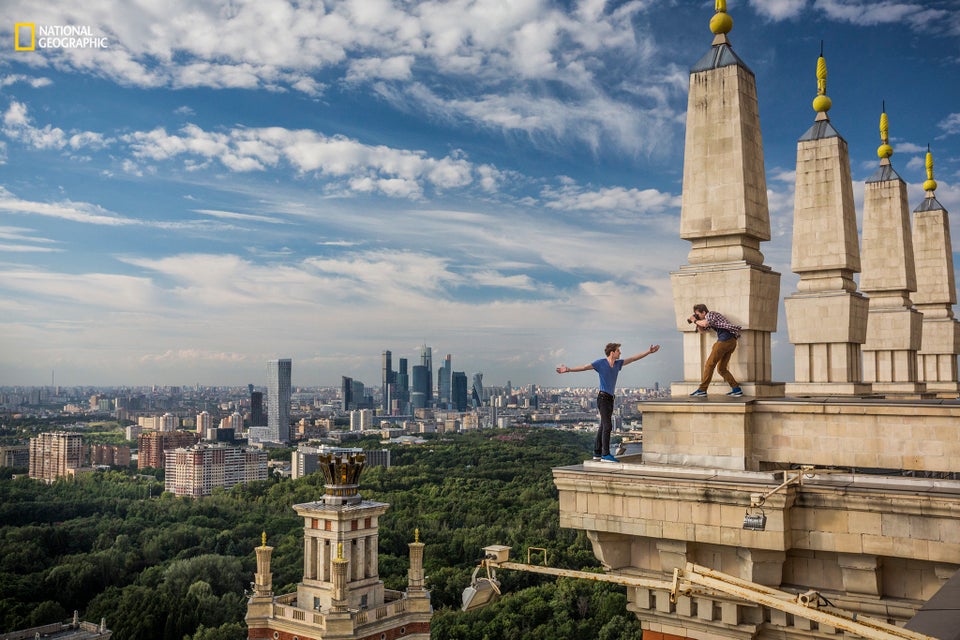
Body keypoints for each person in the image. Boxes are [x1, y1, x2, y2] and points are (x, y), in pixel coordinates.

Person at [556, 342, 660, 463]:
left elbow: (633, 359)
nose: (620, 352)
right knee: (608, 426)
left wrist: (648, 352)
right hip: (603, 398)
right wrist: (568, 370)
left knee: (603, 426)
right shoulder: (600, 363)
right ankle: (605, 454)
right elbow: (584, 367)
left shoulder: (618, 364)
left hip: (610, 399)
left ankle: (597, 452)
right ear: (612, 352)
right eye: (618, 351)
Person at [687, 303, 742, 398]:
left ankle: (702, 390)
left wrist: (694, 320)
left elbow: (706, 323)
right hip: (731, 342)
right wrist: (697, 322)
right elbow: (702, 331)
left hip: (724, 341)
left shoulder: (710, 314)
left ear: (703, 312)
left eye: (698, 314)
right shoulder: (707, 318)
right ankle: (736, 389)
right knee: (721, 369)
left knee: (709, 364)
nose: (697, 316)